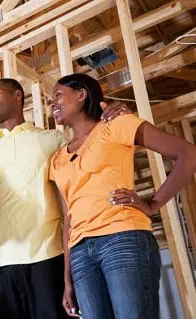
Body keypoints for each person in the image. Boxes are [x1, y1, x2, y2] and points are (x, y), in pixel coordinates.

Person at [0, 78, 129, 319]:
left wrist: (117, 112)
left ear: (18, 96)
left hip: (48, 258)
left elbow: (87, 170)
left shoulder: (53, 140)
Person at [48, 73, 196, 319]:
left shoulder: (116, 124)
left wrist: (152, 204)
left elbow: (187, 153)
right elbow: (68, 217)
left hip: (122, 238)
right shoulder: (58, 159)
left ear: (82, 95)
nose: (52, 104)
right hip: (81, 254)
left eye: (58, 96)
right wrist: (67, 279)